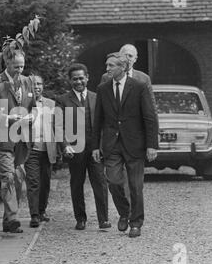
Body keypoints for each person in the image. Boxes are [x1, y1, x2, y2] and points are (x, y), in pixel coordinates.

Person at [93, 52, 159, 238]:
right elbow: (98, 120)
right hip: (112, 144)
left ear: (122, 67)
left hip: (135, 144)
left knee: (136, 186)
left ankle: (136, 223)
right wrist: (95, 146)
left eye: (111, 66)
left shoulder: (139, 86)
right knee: (113, 181)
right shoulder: (103, 88)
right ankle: (125, 212)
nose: (107, 69)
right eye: (107, 65)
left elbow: (149, 116)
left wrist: (151, 145)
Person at [56, 63, 111, 231]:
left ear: (87, 77)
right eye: (75, 79)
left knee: (100, 183)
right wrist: (65, 146)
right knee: (77, 184)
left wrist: (101, 147)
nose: (78, 81)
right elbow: (59, 126)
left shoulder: (97, 97)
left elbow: (105, 124)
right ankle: (80, 219)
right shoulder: (63, 100)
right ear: (69, 81)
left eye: (81, 78)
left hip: (95, 150)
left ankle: (104, 219)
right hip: (75, 150)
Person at [0, 49, 36, 233]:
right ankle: (14, 217)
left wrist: (32, 117)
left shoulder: (27, 82)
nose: (19, 70)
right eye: (16, 67)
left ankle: (8, 220)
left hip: (23, 140)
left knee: (16, 180)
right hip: (2, 140)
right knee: (7, 177)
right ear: (6, 63)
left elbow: (34, 107)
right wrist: (7, 119)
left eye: (22, 66)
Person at [24, 74, 58, 227]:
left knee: (45, 183)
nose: (36, 87)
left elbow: (57, 127)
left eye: (39, 84)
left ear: (43, 86)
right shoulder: (24, 104)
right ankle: (34, 215)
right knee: (33, 182)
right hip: (31, 150)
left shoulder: (51, 104)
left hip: (48, 150)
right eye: (33, 84)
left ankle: (42, 210)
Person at [100, 44, 157, 109]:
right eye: (124, 56)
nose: (127, 59)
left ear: (135, 59)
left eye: (130, 56)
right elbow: (102, 102)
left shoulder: (144, 78)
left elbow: (151, 104)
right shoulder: (107, 77)